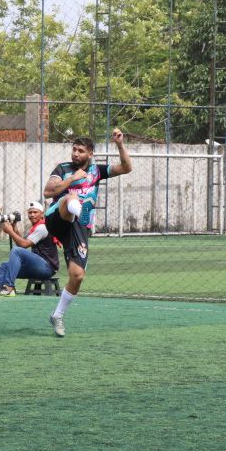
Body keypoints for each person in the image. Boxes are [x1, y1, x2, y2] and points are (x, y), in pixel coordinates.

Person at [42, 129, 132, 337]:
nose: (75, 154)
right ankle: (77, 208)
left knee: (77, 275)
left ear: (90, 153)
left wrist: (119, 145)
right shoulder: (63, 168)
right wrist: (71, 179)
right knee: (70, 198)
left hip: (78, 228)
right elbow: (48, 192)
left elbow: (127, 168)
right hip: (58, 217)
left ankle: (57, 315)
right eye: (73, 149)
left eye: (80, 151)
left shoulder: (97, 171)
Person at [0, 201, 60, 297]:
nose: (32, 215)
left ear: (41, 214)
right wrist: (14, 227)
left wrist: (10, 232)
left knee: (16, 250)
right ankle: (1, 289)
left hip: (47, 268)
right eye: (30, 213)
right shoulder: (36, 227)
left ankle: (9, 287)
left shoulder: (42, 228)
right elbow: (22, 242)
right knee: (4, 266)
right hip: (38, 267)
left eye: (35, 212)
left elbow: (23, 245)